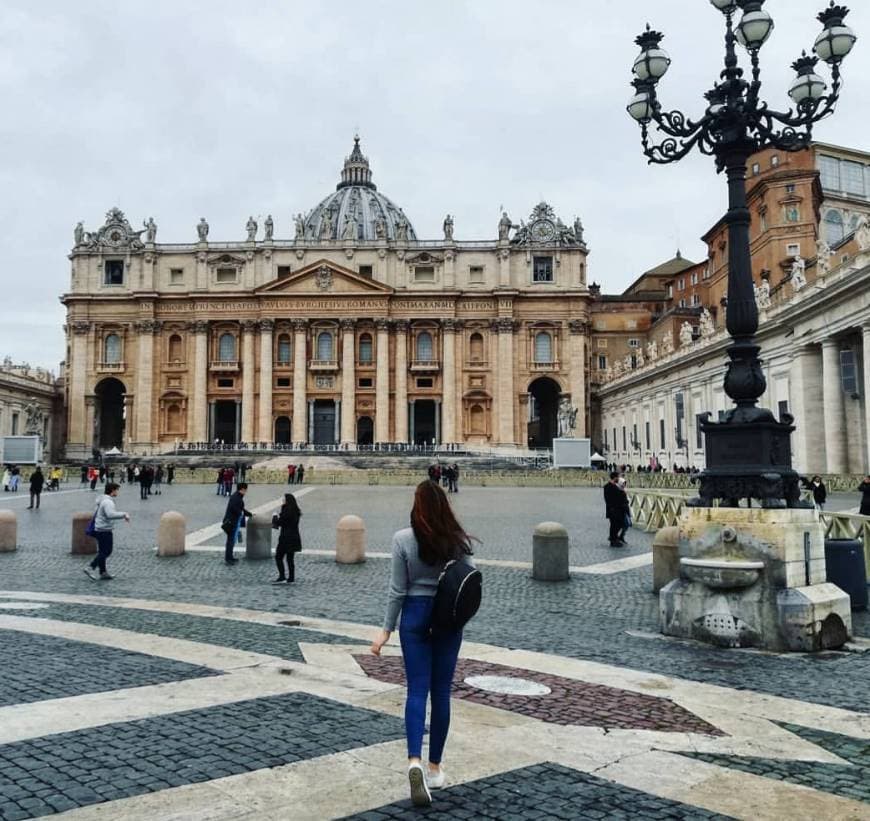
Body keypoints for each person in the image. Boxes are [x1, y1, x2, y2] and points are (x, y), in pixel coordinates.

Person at [370, 481, 476, 807]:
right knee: (441, 693)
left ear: (416, 506)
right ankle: (434, 767)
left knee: (416, 691)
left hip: (414, 617)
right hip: (446, 619)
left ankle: (413, 760)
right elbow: (471, 582)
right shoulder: (457, 540)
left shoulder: (402, 539)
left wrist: (385, 630)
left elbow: (396, 591)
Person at [83, 483, 130, 580]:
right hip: (104, 529)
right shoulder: (108, 502)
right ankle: (90, 567)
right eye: (117, 490)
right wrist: (124, 514)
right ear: (112, 490)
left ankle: (103, 572)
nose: (118, 492)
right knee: (107, 551)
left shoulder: (102, 500)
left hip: (100, 528)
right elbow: (110, 514)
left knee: (102, 551)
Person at [273, 493, 302, 584]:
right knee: (290, 559)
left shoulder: (286, 511)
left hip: (285, 538)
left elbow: (279, 523)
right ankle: (291, 578)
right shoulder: (296, 511)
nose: (282, 501)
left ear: (287, 501)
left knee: (278, 557)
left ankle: (282, 576)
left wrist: (274, 516)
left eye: (283, 500)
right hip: (294, 537)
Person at [222, 482, 253, 565]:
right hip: (231, 522)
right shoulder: (236, 497)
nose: (246, 492)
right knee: (231, 541)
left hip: (233, 522)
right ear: (242, 489)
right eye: (246, 490)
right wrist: (241, 513)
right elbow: (235, 508)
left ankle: (230, 557)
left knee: (231, 540)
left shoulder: (237, 496)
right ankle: (228, 558)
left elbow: (241, 509)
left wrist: (250, 514)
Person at [603, 472, 629, 547]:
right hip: (613, 510)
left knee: (617, 524)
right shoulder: (608, 486)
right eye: (618, 477)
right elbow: (609, 499)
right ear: (615, 477)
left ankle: (614, 538)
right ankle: (613, 540)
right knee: (614, 525)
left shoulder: (614, 486)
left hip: (617, 509)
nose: (618, 478)